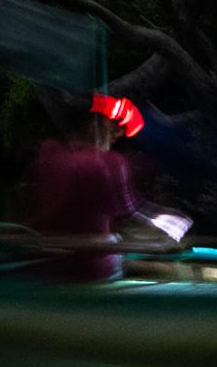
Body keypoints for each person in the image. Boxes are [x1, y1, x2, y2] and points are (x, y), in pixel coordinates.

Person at [25, 103, 148, 280]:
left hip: (48, 266)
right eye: (112, 124)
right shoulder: (111, 163)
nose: (119, 132)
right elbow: (130, 219)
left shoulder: (47, 155)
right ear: (93, 125)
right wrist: (173, 227)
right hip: (95, 271)